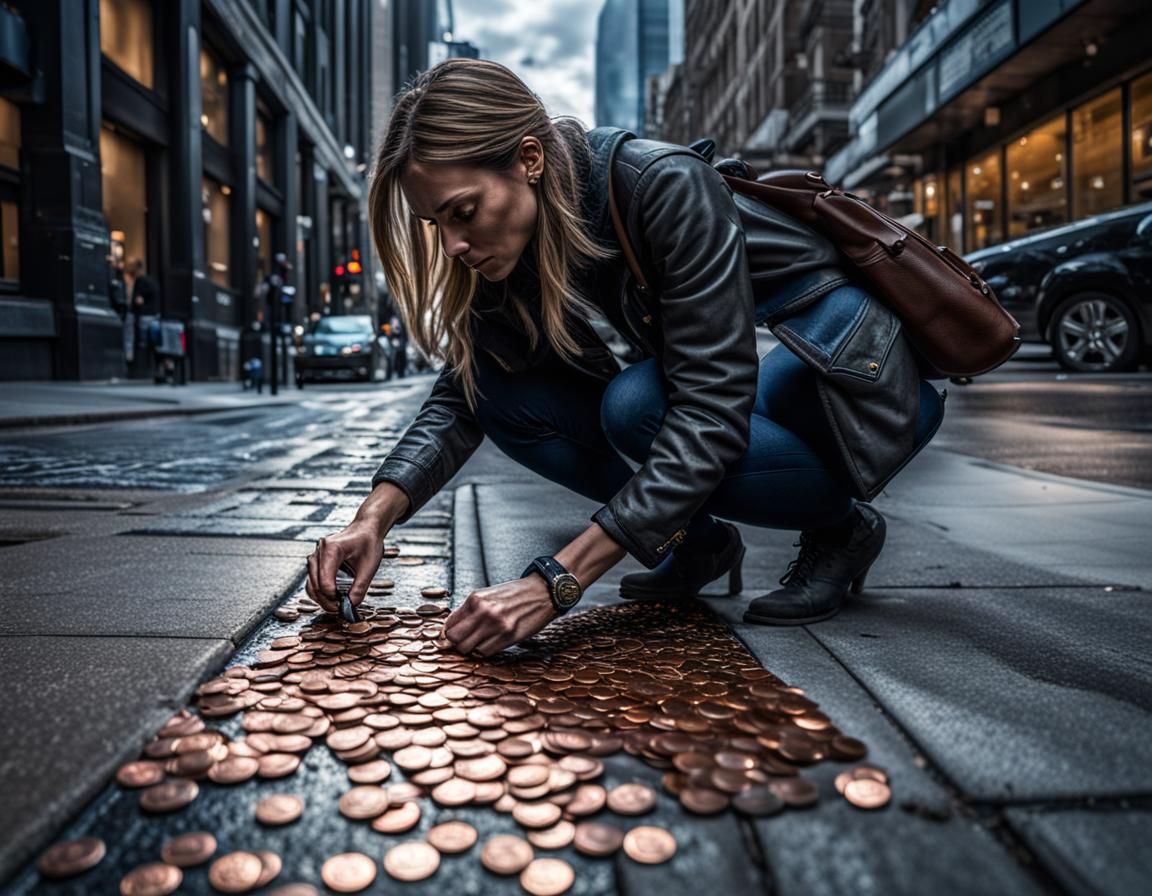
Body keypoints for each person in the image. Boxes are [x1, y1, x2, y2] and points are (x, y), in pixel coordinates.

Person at [305, 59, 945, 657]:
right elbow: (464, 391)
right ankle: (696, 543)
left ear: (528, 159)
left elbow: (710, 414)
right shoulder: (531, 229)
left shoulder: (662, 185)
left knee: (638, 406)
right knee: (504, 394)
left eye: (463, 212)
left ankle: (842, 529)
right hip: (773, 379)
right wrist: (372, 521)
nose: (452, 245)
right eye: (434, 225)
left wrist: (556, 581)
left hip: (854, 385)